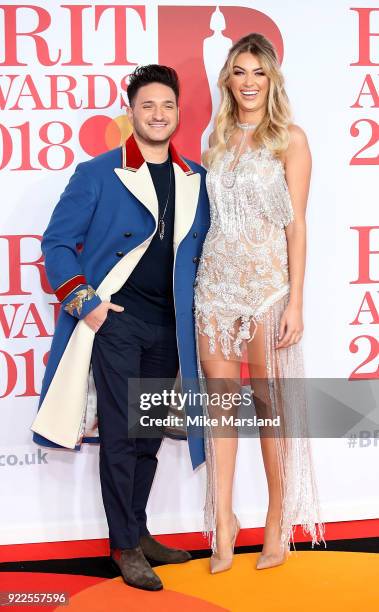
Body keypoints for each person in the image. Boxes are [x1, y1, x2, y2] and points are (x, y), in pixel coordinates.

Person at [31, 64, 210, 591]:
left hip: (169, 328)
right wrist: (86, 302)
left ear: (178, 112)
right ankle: (124, 546)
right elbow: (56, 244)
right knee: (121, 434)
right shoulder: (97, 173)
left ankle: (140, 531)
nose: (159, 115)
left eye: (168, 106)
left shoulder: (196, 178)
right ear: (130, 110)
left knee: (149, 435)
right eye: (148, 105)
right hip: (117, 324)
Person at [194, 33, 325, 574]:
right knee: (221, 411)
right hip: (214, 288)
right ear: (227, 78)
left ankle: (277, 520)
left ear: (272, 80)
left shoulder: (289, 140)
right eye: (240, 72)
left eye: (259, 73)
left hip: (268, 289)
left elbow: (296, 227)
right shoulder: (215, 139)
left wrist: (295, 301)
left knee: (271, 411)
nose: (248, 82)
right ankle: (224, 523)